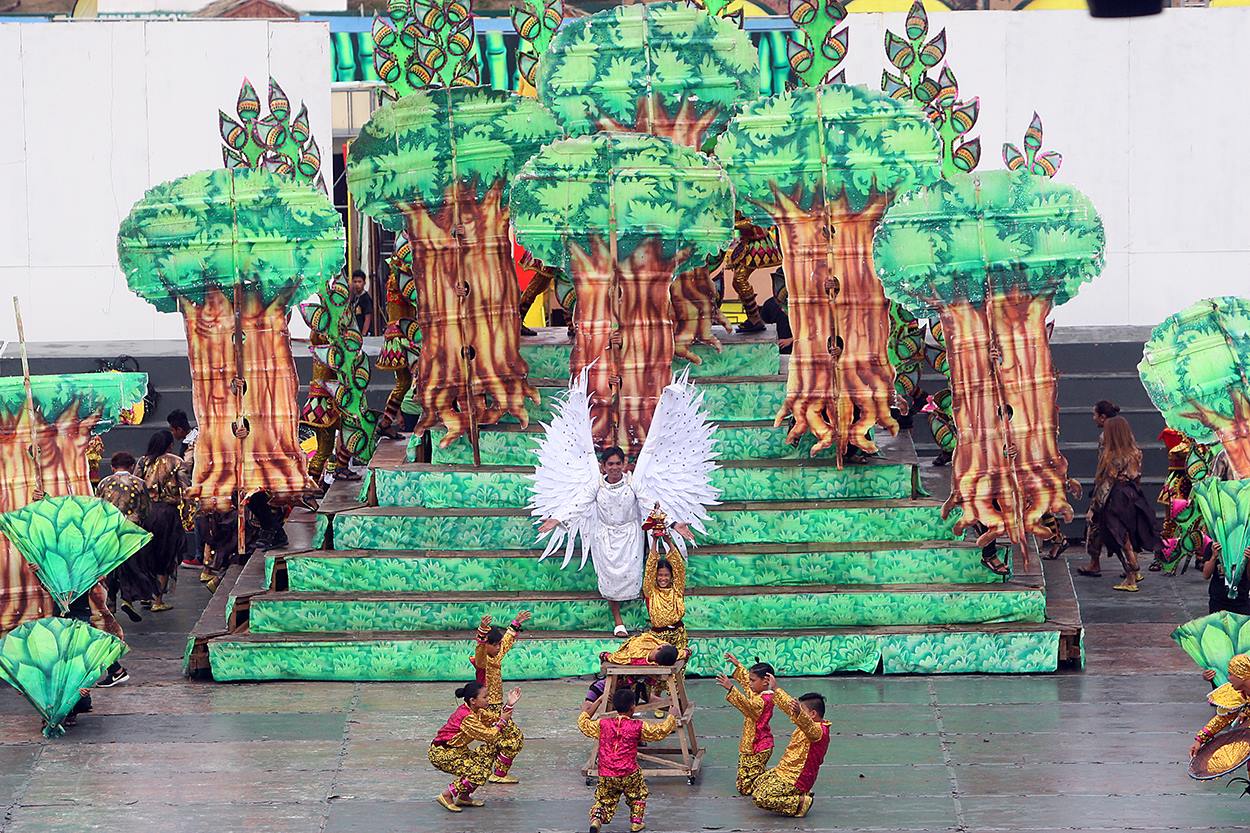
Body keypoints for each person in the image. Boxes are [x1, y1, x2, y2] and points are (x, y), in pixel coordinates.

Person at [538, 447, 693, 637]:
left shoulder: (633, 483)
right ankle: (618, 621)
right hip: (605, 536)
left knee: (632, 575)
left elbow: (651, 504)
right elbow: (578, 504)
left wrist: (674, 523)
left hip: (630, 536)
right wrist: (557, 519)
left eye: (618, 463)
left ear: (624, 465)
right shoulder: (596, 486)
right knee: (609, 578)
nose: (614, 467)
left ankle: (652, 620)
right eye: (610, 464)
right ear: (603, 466)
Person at [579, 688, 679, 833]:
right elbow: (660, 731)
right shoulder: (638, 726)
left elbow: (583, 723)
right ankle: (636, 822)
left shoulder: (603, 724)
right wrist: (671, 716)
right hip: (629, 772)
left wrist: (598, 701)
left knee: (604, 799)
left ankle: (596, 820)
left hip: (607, 772)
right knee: (638, 793)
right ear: (633, 707)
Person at [1084, 415, 1160, 591]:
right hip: (1133, 495)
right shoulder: (1135, 453)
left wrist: (1094, 509)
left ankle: (1131, 576)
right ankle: (1133, 573)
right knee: (1128, 536)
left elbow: (1106, 484)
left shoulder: (1112, 457)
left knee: (1119, 537)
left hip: (1116, 497)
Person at [429, 682, 522, 813]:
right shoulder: (467, 717)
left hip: (458, 750)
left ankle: (464, 797)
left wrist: (509, 705)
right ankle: (447, 795)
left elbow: (495, 719)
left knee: (485, 760)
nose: (488, 699)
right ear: (473, 700)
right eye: (485, 697)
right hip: (443, 754)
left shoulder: (477, 711)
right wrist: (502, 722)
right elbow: (489, 735)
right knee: (478, 771)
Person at [749, 676, 830, 819]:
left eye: (801, 710)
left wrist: (799, 713)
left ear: (812, 714)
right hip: (784, 770)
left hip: (797, 778)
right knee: (756, 784)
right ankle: (798, 795)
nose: (797, 711)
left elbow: (809, 727)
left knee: (760, 798)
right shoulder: (805, 720)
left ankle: (800, 803)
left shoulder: (819, 732)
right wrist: (775, 689)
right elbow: (790, 707)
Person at [95, 452, 160, 624]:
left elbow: (97, 508)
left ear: (112, 467)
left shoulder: (103, 483)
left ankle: (110, 601)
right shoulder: (139, 483)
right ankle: (127, 599)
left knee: (111, 566)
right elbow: (146, 509)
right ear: (131, 466)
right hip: (132, 529)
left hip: (109, 530)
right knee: (132, 566)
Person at [470, 611, 531, 784]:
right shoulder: (482, 661)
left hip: (497, 706)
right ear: (486, 644)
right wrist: (481, 632)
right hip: (488, 708)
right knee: (514, 738)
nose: (498, 648)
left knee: (495, 742)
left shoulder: (495, 656)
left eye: (498, 645)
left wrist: (515, 624)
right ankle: (496, 773)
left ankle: (488, 773)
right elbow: (480, 649)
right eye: (494, 644)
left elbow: (506, 642)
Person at [135, 430, 190, 612]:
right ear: (169, 445)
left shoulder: (143, 462)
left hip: (147, 513)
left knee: (147, 554)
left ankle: (146, 595)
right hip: (167, 514)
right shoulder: (176, 462)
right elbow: (185, 487)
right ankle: (158, 600)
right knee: (165, 555)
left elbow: (136, 486)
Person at [716, 653, 776, 795]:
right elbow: (747, 684)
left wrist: (731, 689)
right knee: (743, 786)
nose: (749, 683)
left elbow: (748, 707)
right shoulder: (758, 692)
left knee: (747, 788)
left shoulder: (764, 699)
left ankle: (778, 780)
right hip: (750, 744)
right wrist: (738, 665)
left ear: (766, 681)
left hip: (758, 746)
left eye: (753, 680)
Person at [1078, 400, 1120, 577]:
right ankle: (1132, 567)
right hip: (1121, 488)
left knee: (1094, 524)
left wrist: (1098, 492)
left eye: (1095, 415)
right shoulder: (1122, 433)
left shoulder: (1106, 437)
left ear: (1103, 417)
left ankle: (1094, 562)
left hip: (1108, 486)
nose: (1093, 418)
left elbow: (1105, 467)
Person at [641, 516, 687, 656]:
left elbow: (678, 566)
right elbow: (650, 568)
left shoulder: (677, 589)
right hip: (658, 639)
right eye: (660, 575)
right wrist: (654, 541)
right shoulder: (651, 591)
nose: (663, 578)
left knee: (678, 670)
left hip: (678, 634)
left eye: (666, 575)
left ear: (671, 576)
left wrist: (667, 540)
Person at [1189, 654, 1250, 759]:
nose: (1228, 678)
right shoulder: (1237, 693)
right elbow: (1223, 718)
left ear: (1242, 675)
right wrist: (1200, 739)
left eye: (1231, 674)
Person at [1202, 542, 1250, 615]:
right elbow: (1206, 574)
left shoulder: (1247, 545)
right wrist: (1214, 557)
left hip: (1241, 602)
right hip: (1218, 602)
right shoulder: (1215, 544)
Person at [350, 269, 373, 335]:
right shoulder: (353, 297)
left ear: (364, 283)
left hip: (363, 335)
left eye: (359, 282)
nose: (357, 284)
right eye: (355, 282)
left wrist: (363, 334)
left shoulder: (366, 299)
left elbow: (367, 318)